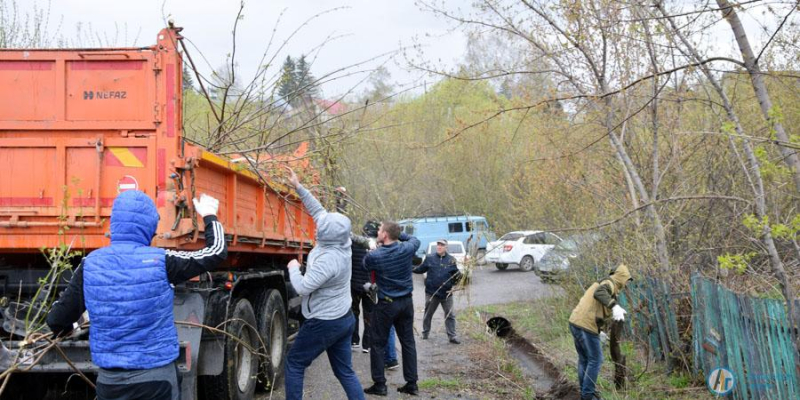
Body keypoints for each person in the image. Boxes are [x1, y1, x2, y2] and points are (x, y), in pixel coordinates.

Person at [46, 191, 227, 400]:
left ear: (114, 225)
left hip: (110, 382)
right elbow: (216, 251)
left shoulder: (89, 265)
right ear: (149, 227)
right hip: (157, 379)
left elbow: (55, 321)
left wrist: (70, 328)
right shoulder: (162, 261)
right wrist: (209, 215)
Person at [283, 168, 364, 400]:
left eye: (320, 228)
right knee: (345, 371)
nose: (316, 227)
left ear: (326, 235)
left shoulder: (330, 260)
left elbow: (303, 287)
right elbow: (318, 211)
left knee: (295, 363)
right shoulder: (342, 239)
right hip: (344, 318)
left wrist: (292, 268)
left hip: (325, 322)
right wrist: (298, 186)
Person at [363, 221, 420, 396]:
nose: (377, 232)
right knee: (408, 342)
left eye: (379, 230)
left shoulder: (376, 255)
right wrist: (398, 235)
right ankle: (412, 384)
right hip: (406, 303)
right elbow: (414, 239)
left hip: (387, 304)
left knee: (378, 343)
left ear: (385, 235)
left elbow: (364, 265)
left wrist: (372, 250)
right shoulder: (407, 249)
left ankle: (380, 385)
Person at [568, 265, 632, 400]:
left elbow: (595, 309)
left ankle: (585, 392)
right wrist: (614, 306)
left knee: (585, 359)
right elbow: (599, 293)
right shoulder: (608, 283)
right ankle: (588, 395)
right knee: (596, 359)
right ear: (621, 277)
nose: (627, 284)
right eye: (627, 280)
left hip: (576, 322)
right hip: (585, 325)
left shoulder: (608, 285)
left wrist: (599, 331)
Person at [413, 239, 461, 344]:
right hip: (432, 293)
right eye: (438, 245)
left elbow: (456, 275)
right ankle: (425, 333)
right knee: (428, 314)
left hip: (447, 293)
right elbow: (421, 269)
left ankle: (452, 336)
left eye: (442, 245)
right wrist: (410, 268)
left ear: (446, 247)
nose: (439, 247)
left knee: (450, 315)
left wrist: (457, 280)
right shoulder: (430, 258)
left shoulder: (451, 260)